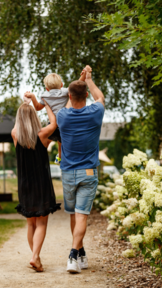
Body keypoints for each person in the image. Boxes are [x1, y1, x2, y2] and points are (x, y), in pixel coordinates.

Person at [57, 65, 104, 274]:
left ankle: (78, 254)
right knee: (81, 216)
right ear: (86, 94)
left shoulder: (62, 117)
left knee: (74, 216)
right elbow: (99, 97)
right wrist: (89, 80)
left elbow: (68, 105)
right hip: (88, 172)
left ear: (69, 95)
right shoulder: (95, 113)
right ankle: (75, 254)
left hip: (67, 173)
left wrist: (78, 81)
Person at [11, 97, 61, 272]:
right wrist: (45, 103)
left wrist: (25, 105)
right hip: (41, 184)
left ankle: (36, 257)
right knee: (41, 224)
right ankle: (35, 257)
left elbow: (18, 126)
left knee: (31, 224)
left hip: (24, 185)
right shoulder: (42, 134)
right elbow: (54, 122)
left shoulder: (15, 134)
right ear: (34, 117)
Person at [26, 72, 86, 163]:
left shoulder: (45, 96)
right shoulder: (66, 91)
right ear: (61, 85)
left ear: (47, 88)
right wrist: (84, 75)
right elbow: (77, 85)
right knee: (61, 143)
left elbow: (37, 107)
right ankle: (59, 158)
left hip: (52, 126)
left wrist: (33, 97)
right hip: (65, 125)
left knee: (45, 141)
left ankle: (38, 157)